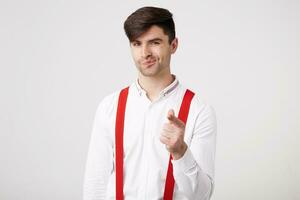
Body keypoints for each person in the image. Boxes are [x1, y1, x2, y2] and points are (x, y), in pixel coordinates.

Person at [83, 6, 217, 200]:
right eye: (137, 44)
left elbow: (201, 196)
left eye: (154, 42)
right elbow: (95, 185)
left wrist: (180, 152)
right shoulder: (109, 107)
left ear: (173, 45)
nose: (144, 53)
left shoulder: (200, 111)